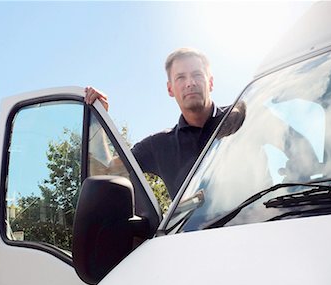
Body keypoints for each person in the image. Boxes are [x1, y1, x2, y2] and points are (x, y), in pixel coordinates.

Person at [85, 47, 232, 199]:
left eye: (197, 74)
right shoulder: (158, 146)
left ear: (211, 83)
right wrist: (97, 119)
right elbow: (106, 172)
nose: (190, 83)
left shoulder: (241, 118)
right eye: (181, 77)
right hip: (198, 224)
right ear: (170, 89)